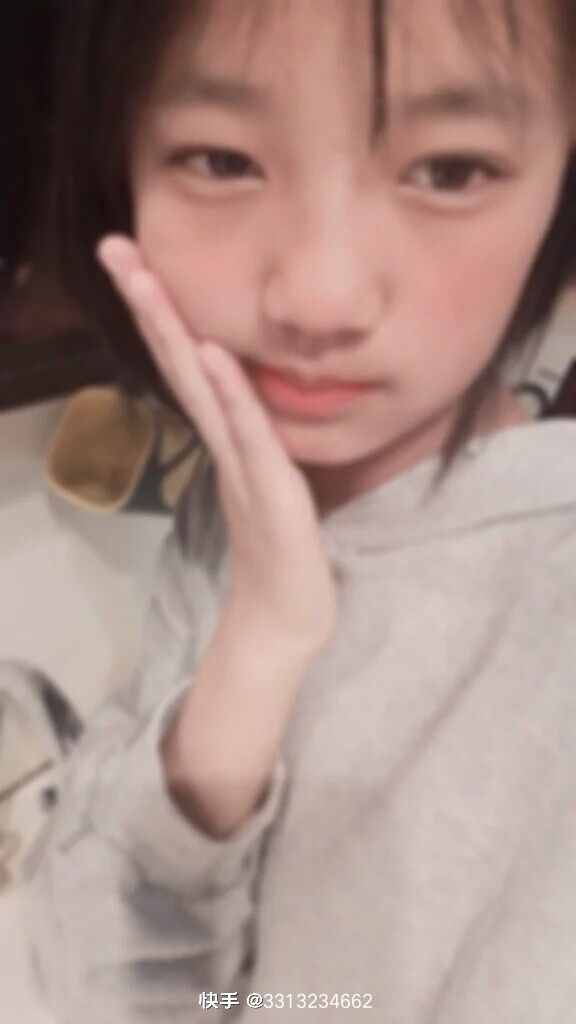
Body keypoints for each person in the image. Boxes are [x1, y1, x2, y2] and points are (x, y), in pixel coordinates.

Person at [22, 1, 576, 1020]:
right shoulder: (240, 499)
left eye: (451, 170)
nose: (319, 298)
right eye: (222, 160)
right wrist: (259, 649)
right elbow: (106, 980)